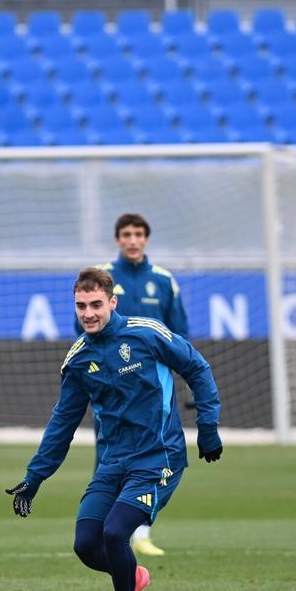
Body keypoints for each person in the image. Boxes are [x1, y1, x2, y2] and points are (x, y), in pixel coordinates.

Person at [7, 267, 221, 591]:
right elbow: (63, 423)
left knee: (115, 532)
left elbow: (197, 367)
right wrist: (34, 477)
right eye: (80, 306)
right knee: (86, 544)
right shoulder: (78, 360)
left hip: (160, 457)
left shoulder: (146, 333)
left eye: (95, 305)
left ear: (112, 302)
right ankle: (132, 576)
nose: (88, 313)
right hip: (113, 462)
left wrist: (208, 427)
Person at [81, 213, 190, 558]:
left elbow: (180, 334)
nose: (132, 240)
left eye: (138, 234)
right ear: (117, 239)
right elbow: (84, 329)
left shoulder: (163, 281)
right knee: (109, 453)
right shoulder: (101, 278)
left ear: (146, 239)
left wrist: (184, 382)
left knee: (154, 453)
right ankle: (110, 523)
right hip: (112, 385)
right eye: (126, 234)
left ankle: (139, 530)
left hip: (154, 389)